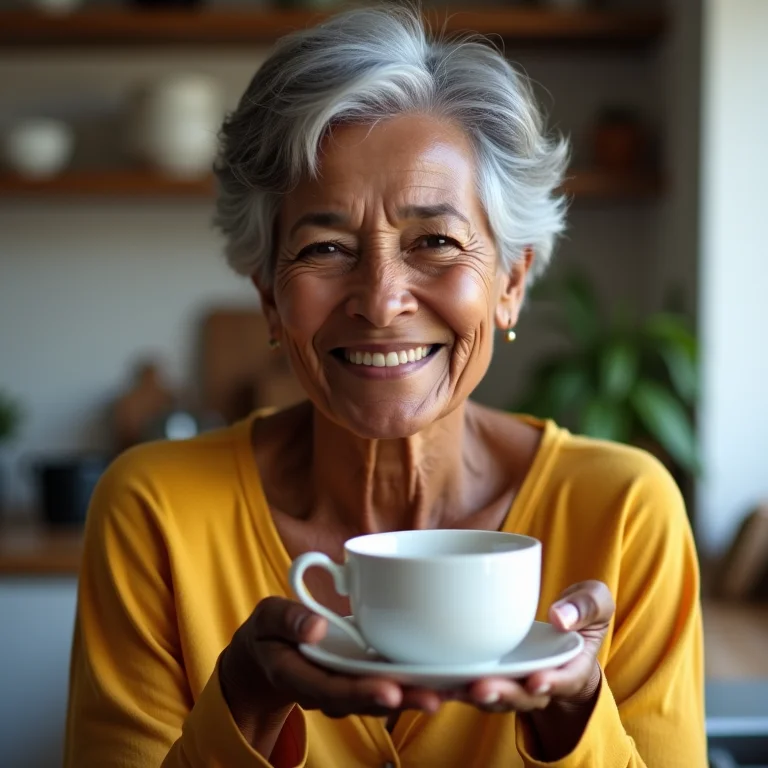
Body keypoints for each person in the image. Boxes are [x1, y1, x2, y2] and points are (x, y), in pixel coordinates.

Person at [64, 6, 706, 767]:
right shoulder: (157, 510)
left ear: (511, 282)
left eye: (434, 241)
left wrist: (571, 715)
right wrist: (242, 702)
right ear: (269, 294)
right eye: (325, 247)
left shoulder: (624, 515)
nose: (379, 297)